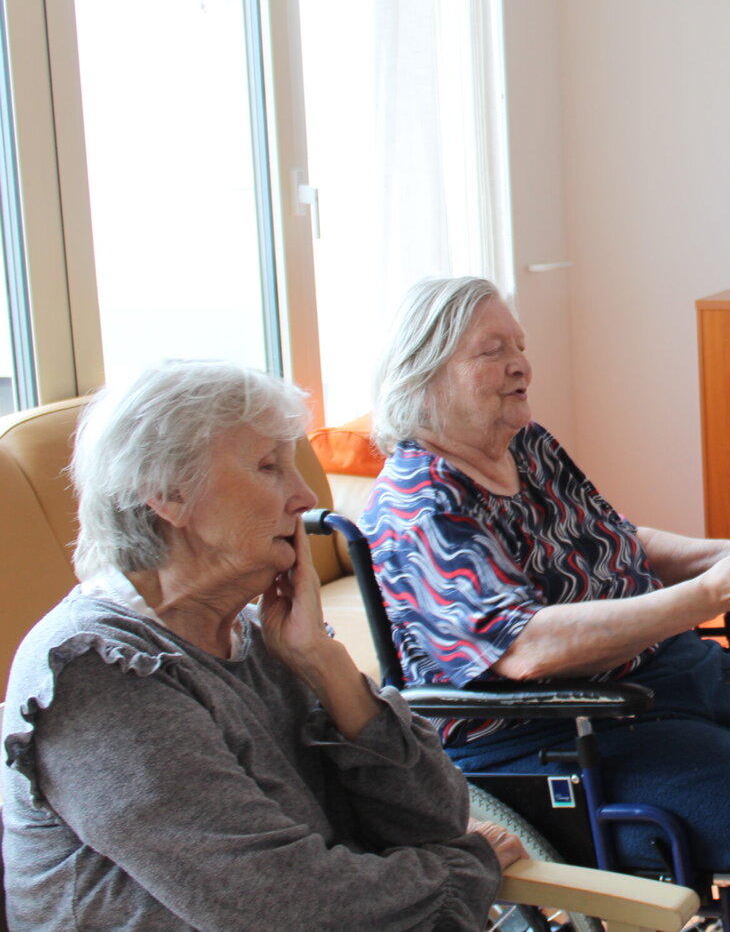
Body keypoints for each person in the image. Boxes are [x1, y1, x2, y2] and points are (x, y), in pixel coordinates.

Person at [361, 276, 730, 930]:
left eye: (520, 345)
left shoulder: (528, 445)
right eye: (493, 350)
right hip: (567, 737)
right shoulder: (418, 503)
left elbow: (619, 541)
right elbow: (524, 647)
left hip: (672, 677)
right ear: (424, 373)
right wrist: (711, 593)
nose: (521, 364)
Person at [2, 360, 525, 930]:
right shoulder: (98, 672)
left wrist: (323, 663)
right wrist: (462, 871)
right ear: (168, 495)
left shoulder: (258, 634)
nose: (304, 497)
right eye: (270, 467)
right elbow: (284, 905)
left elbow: (434, 818)